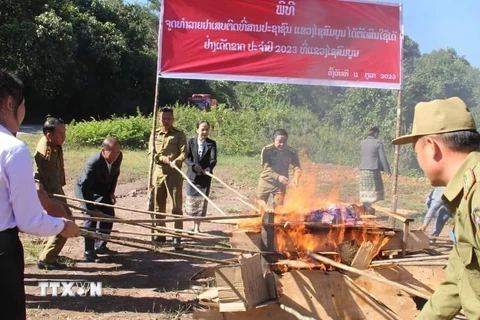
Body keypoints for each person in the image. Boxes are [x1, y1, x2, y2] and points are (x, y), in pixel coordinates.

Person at [0, 70, 80, 320]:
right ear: (10, 103)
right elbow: (30, 220)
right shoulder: (13, 149)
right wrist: (63, 225)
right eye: (23, 105)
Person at [392, 97, 480, 319]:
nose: (418, 160)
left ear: (431, 147)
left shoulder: (477, 195)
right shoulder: (464, 194)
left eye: (416, 151)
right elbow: (457, 280)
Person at [34, 117, 74, 270]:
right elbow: (52, 183)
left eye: (64, 133)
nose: (64, 136)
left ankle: (47, 252)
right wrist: (61, 203)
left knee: (53, 220)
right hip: (50, 190)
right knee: (66, 220)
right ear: (49, 134)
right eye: (60, 133)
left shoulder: (51, 142)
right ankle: (47, 259)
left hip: (49, 188)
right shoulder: (47, 152)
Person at [75, 137, 122, 263]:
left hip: (102, 189)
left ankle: (100, 245)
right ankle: (88, 252)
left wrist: (111, 191)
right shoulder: (93, 163)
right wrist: (91, 207)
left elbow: (115, 174)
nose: (116, 155)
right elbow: (85, 187)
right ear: (104, 151)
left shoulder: (118, 156)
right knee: (92, 217)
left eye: (118, 151)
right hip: (87, 189)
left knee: (108, 214)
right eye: (113, 151)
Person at [150, 107, 187, 248]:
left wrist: (176, 161)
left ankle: (177, 237)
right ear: (159, 119)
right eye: (163, 118)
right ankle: (161, 234)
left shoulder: (179, 134)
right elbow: (151, 154)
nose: (166, 121)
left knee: (176, 207)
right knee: (159, 206)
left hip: (174, 175)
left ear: (173, 119)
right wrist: (162, 159)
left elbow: (184, 153)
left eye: (169, 118)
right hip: (159, 173)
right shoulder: (154, 134)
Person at [256, 129, 301, 209]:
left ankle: (274, 221)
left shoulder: (291, 152)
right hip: (266, 181)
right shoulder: (267, 150)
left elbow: (297, 167)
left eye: (284, 142)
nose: (282, 144)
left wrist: (296, 177)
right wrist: (278, 177)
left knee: (278, 210)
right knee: (259, 206)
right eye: (279, 141)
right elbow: (266, 168)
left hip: (280, 185)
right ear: (273, 140)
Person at [185, 120, 217, 233]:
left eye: (207, 129)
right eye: (202, 129)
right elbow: (186, 158)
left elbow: (213, 160)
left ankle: (197, 227)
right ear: (197, 129)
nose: (204, 132)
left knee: (201, 201)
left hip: (205, 177)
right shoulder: (191, 142)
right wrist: (193, 166)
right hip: (192, 177)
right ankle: (193, 224)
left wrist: (209, 168)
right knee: (192, 201)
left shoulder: (211, 144)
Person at [359, 126, 391, 214]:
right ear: (376, 134)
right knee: (373, 193)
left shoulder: (362, 142)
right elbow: (382, 157)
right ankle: (369, 211)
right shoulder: (378, 143)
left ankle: (366, 210)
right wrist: (387, 170)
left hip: (363, 170)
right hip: (372, 170)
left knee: (366, 193)